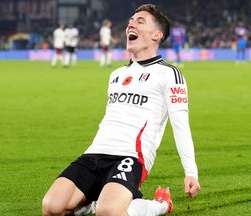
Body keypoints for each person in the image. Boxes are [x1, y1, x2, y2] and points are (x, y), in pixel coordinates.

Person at [42, 4, 200, 216]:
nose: (130, 24)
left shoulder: (169, 74)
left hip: (130, 157)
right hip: (95, 153)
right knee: (51, 207)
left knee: (108, 212)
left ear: (156, 36)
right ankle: (97, 200)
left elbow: (180, 125)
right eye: (130, 21)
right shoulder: (116, 74)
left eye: (140, 21)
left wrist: (191, 172)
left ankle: (160, 204)